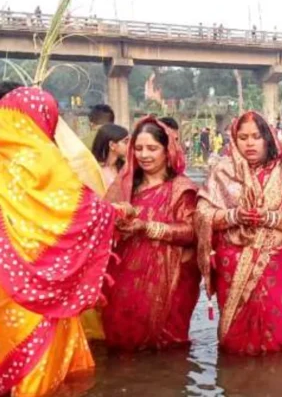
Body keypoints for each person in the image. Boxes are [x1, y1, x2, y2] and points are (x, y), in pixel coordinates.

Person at [0, 86, 117, 396]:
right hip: (41, 289)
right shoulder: (42, 159)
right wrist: (116, 212)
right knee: (39, 369)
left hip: (5, 280)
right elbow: (84, 210)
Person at [196, 111, 282, 355]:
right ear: (234, 140)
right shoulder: (222, 172)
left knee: (277, 337)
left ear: (267, 138)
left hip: (275, 264)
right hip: (231, 268)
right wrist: (233, 216)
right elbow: (202, 215)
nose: (249, 143)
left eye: (256, 136)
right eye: (242, 137)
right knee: (233, 343)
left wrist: (269, 217)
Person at [103, 117, 200, 351]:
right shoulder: (125, 186)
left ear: (168, 151)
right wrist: (117, 220)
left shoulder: (181, 188)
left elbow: (192, 233)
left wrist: (147, 227)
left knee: (167, 348)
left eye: (152, 149)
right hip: (125, 276)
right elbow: (103, 224)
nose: (144, 155)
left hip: (171, 279)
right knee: (124, 342)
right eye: (138, 148)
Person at [91, 123, 130, 188]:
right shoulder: (95, 171)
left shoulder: (124, 167)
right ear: (112, 145)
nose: (129, 145)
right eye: (125, 142)